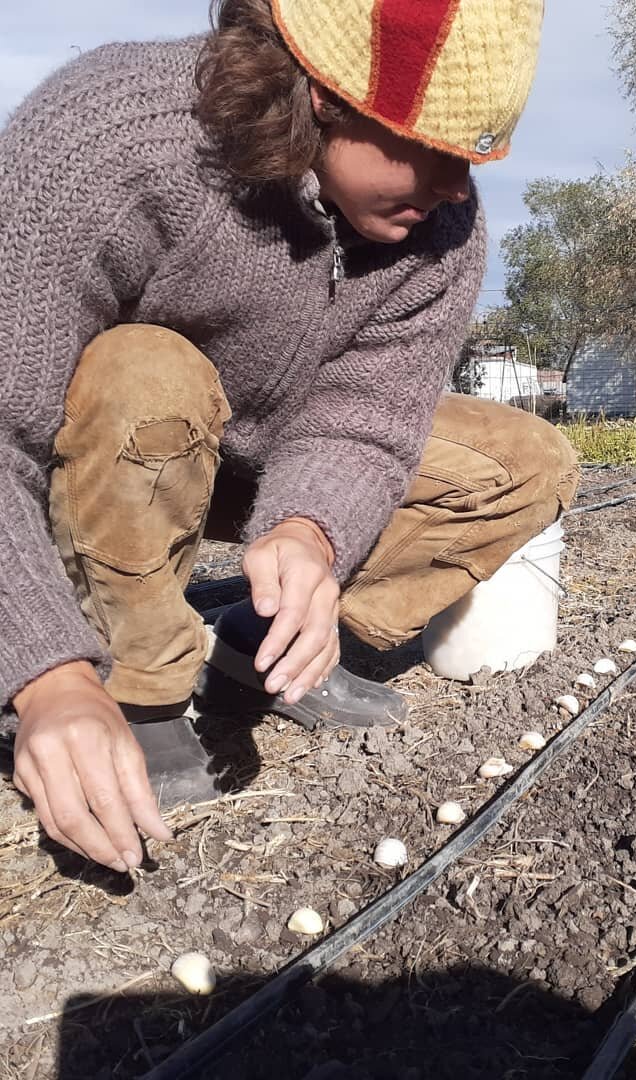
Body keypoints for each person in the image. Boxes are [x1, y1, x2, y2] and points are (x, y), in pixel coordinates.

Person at [0, 0, 578, 875]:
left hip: (262, 457)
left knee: (528, 463)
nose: (458, 187)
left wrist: (308, 530)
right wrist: (43, 675)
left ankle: (257, 638)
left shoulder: (443, 232)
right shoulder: (114, 137)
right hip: (112, 451)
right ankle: (138, 684)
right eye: (433, 148)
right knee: (145, 372)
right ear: (319, 92)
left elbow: (365, 418)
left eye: (471, 157)